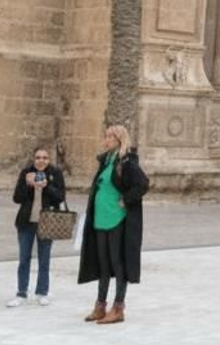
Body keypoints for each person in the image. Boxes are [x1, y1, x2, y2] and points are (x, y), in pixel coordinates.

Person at [78, 124, 149, 324]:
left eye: (111, 137)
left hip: (117, 218)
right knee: (103, 263)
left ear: (119, 140)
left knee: (118, 263)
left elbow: (143, 184)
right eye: (106, 136)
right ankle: (100, 305)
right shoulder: (106, 160)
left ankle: (118, 308)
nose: (107, 139)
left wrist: (126, 200)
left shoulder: (126, 162)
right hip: (101, 218)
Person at [9, 147, 66, 307]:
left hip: (47, 221)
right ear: (33, 159)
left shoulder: (55, 173)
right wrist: (29, 185)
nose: (41, 160)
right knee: (24, 258)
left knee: (44, 259)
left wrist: (46, 186)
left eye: (45, 158)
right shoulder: (26, 172)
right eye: (38, 157)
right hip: (26, 222)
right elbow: (16, 198)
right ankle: (21, 293)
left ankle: (42, 292)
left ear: (49, 159)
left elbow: (60, 197)